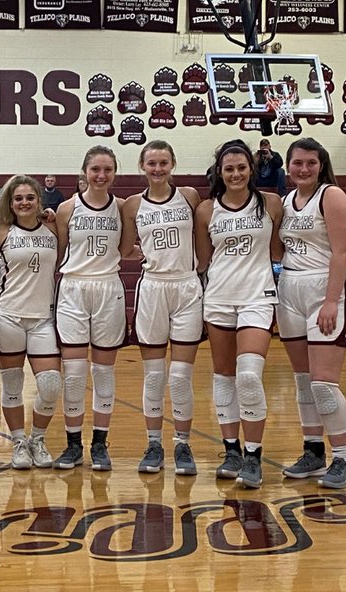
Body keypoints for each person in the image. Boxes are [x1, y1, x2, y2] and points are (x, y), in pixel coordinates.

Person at [194, 140, 283, 489]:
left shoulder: (271, 203)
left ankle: (254, 455)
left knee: (248, 376)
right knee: (224, 377)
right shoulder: (206, 210)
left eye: (241, 167)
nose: (235, 174)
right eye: (228, 169)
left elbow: (277, 249)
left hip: (257, 297)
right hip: (218, 297)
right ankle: (231, 449)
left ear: (252, 169)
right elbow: (204, 261)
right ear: (220, 171)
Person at [276, 138, 346, 490]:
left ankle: (343, 458)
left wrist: (331, 300)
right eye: (297, 163)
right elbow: (278, 249)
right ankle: (313, 450)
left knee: (324, 382)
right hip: (290, 288)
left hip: (324, 287)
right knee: (303, 380)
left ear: (321, 164)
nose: (303, 168)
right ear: (287, 167)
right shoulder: (284, 202)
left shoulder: (331, 195)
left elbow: (341, 252)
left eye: (310, 162)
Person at [51, 145, 133, 471]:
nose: (101, 176)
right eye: (95, 169)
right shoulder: (66, 209)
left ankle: (100, 443)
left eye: (107, 170)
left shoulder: (124, 208)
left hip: (108, 288)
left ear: (114, 173)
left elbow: (126, 249)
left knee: (103, 371)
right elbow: (56, 254)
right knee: (73, 373)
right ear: (84, 171)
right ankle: (73, 445)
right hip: (73, 288)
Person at [123, 140, 202, 476]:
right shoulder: (132, 204)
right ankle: (153, 443)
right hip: (153, 287)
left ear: (173, 164)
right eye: (151, 163)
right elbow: (126, 247)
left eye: (163, 162)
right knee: (154, 376)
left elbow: (202, 239)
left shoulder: (190, 196)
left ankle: (182, 444)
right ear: (142, 166)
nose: (157, 169)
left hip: (186, 285)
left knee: (181, 377)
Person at [0, 175, 61, 470]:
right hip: (8, 315)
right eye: (18, 198)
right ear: (10, 202)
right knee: (12, 385)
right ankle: (19, 441)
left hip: (43, 317)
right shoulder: (2, 231)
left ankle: (38, 439)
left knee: (50, 385)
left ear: (39, 201)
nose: (24, 203)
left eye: (30, 198)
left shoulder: (54, 229)